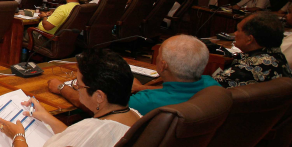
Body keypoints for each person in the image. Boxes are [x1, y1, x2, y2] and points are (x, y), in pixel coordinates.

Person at [0, 49, 139, 147]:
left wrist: (18, 136)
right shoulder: (135, 116)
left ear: (99, 97)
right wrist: (47, 117)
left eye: (78, 84)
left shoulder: (95, 130)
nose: (76, 87)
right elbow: (78, 138)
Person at [47, 35, 219, 116]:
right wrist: (142, 87)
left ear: (163, 65)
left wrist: (61, 88)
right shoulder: (213, 87)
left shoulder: (145, 102)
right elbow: (178, 90)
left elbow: (96, 104)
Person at [212, 12, 292, 87]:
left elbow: (209, 90)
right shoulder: (279, 57)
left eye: (238, 30)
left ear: (249, 39)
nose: (235, 33)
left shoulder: (246, 69)